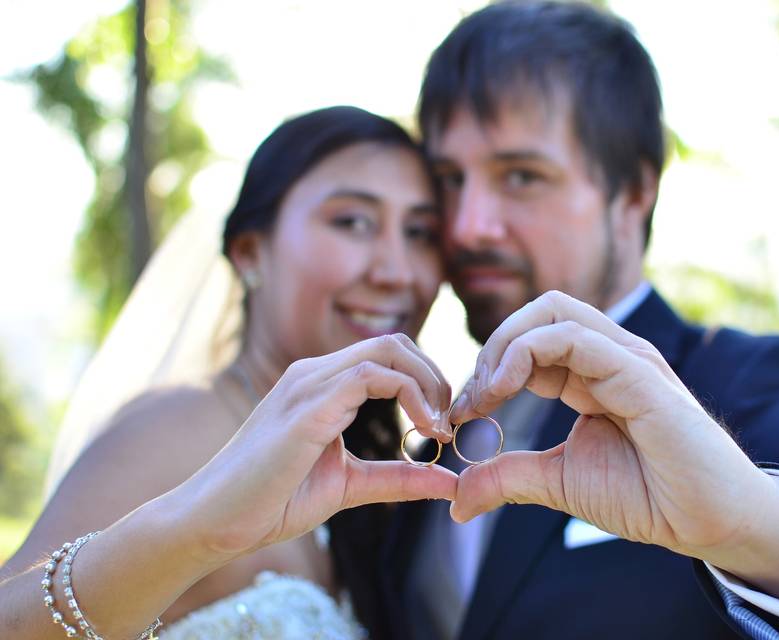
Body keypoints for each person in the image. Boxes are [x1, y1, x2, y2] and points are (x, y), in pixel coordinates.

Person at [383, 2, 779, 639]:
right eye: (449, 178)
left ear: (633, 191)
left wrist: (756, 526)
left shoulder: (746, 384)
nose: (467, 225)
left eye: (521, 176)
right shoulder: (420, 440)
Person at [0, 106, 460, 639]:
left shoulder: (369, 467)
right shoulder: (173, 431)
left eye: (421, 232)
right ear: (249, 253)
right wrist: (199, 531)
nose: (397, 271)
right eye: (352, 222)